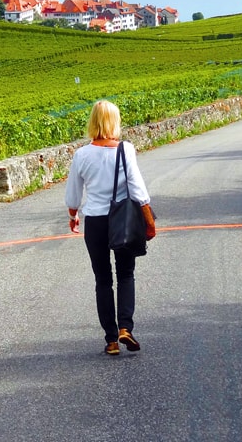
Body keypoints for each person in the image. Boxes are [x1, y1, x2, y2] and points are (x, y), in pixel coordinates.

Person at [64, 100, 155, 355]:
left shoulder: (82, 154)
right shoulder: (126, 150)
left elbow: (73, 194)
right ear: (115, 121)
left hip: (95, 221)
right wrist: (148, 218)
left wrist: (73, 215)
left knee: (103, 279)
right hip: (122, 221)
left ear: (93, 121)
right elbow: (137, 188)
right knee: (126, 273)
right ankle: (126, 327)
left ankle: (111, 340)